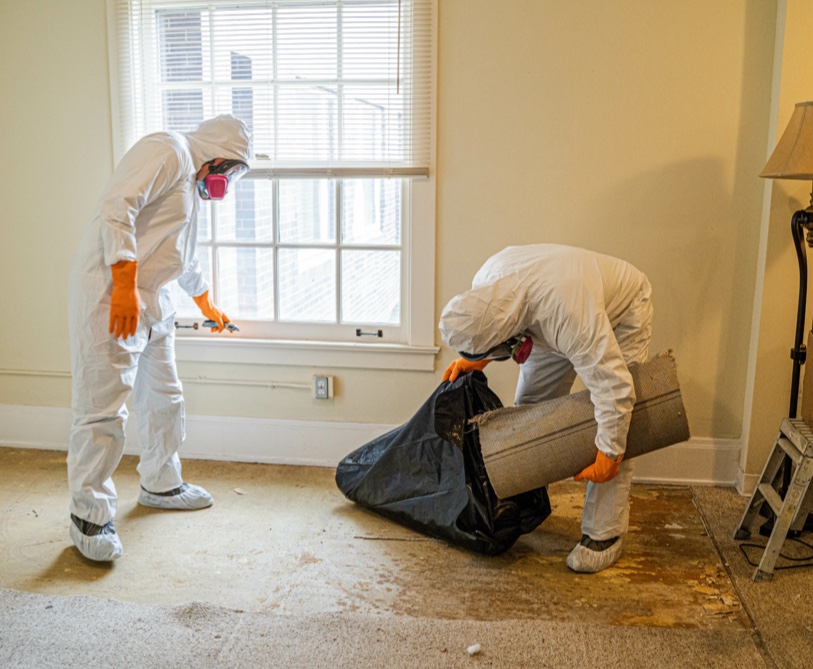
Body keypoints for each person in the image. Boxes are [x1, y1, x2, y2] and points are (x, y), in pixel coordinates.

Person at [67, 115, 251, 562]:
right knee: (103, 408)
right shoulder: (167, 150)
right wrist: (125, 287)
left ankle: (161, 483)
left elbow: (180, 254)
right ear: (215, 153)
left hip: (152, 296)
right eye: (228, 170)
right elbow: (118, 207)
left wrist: (206, 304)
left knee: (165, 397)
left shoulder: (190, 182)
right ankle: (88, 516)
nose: (224, 181)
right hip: (112, 291)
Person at [438, 244, 653, 573]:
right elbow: (493, 324)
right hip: (544, 315)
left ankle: (604, 534)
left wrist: (609, 455)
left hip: (621, 310)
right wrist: (473, 360)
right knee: (529, 413)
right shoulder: (486, 282)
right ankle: (524, 504)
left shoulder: (569, 316)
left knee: (617, 422)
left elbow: (615, 389)